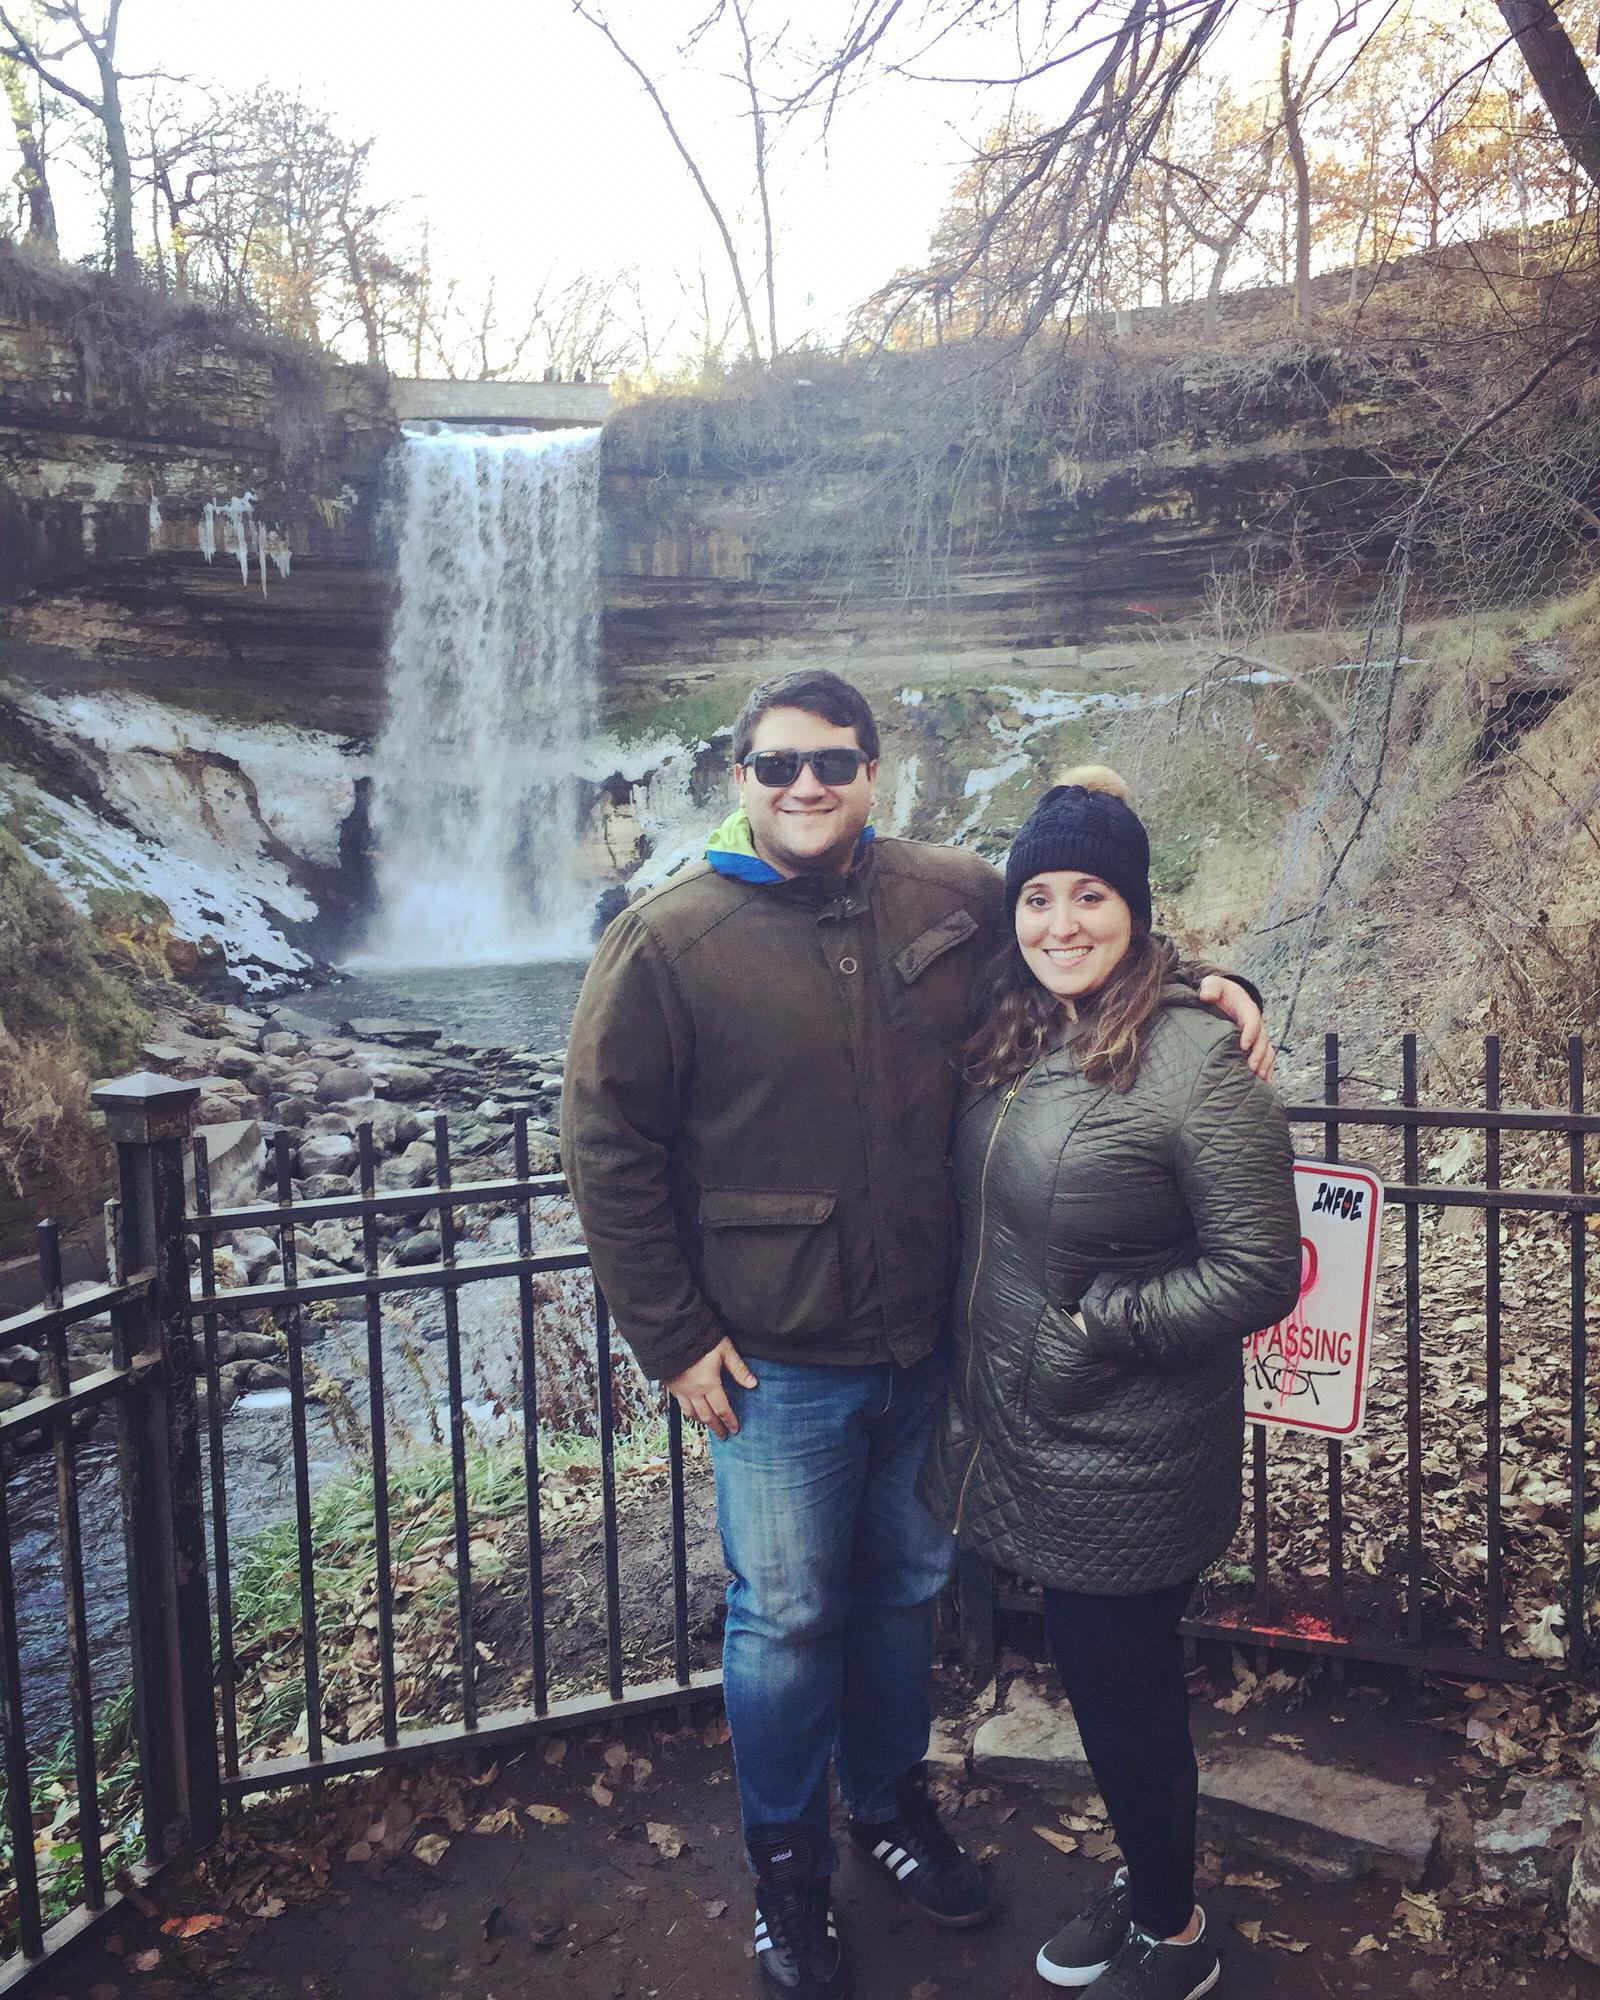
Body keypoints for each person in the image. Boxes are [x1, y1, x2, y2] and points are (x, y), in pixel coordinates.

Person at [560, 673, 1270, 2000]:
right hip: (773, 1362)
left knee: (898, 1599)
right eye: (777, 767)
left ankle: (887, 1813)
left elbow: (1084, 942)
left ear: (874, 771)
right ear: (741, 780)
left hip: (925, 1350)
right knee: (784, 1620)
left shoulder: (946, 893)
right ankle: (788, 1874)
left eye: (831, 760)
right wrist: (669, 1334)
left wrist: (1213, 982)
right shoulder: (667, 937)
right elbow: (604, 1144)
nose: (805, 786)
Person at [923, 767, 1302, 2000]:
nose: (1060, 922)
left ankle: (1176, 1933)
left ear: (1135, 907)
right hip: (1039, 1431)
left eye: (1091, 894)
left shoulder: (1194, 1058)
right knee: (1106, 1686)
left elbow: (1257, 1269)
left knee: (1124, 1696)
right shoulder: (1029, 1026)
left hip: (1131, 1445)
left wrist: (1099, 1326)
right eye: (1038, 896)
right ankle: (1150, 1885)